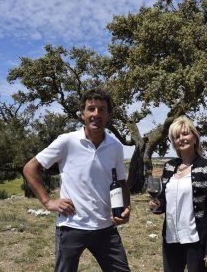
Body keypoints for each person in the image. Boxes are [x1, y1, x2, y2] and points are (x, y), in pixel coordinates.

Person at [23, 88, 131, 272]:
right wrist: (48, 201)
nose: (96, 114)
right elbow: (30, 168)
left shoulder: (115, 146)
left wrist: (127, 207)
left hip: (105, 226)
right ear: (82, 114)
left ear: (108, 116)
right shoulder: (67, 141)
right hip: (71, 226)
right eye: (91, 109)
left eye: (101, 110)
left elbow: (121, 182)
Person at [149, 115, 207, 272]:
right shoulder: (169, 166)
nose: (181, 138)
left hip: (196, 239)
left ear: (194, 137)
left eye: (185, 134)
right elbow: (163, 201)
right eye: (176, 136)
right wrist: (156, 205)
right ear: (173, 142)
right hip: (171, 238)